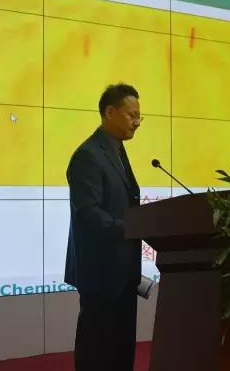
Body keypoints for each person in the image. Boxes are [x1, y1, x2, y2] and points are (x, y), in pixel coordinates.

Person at [64, 83, 142, 371]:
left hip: (124, 271)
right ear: (110, 112)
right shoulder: (88, 155)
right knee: (97, 349)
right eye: (132, 115)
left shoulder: (117, 151)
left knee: (120, 348)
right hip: (100, 272)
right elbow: (88, 215)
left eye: (140, 116)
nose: (137, 122)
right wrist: (132, 227)